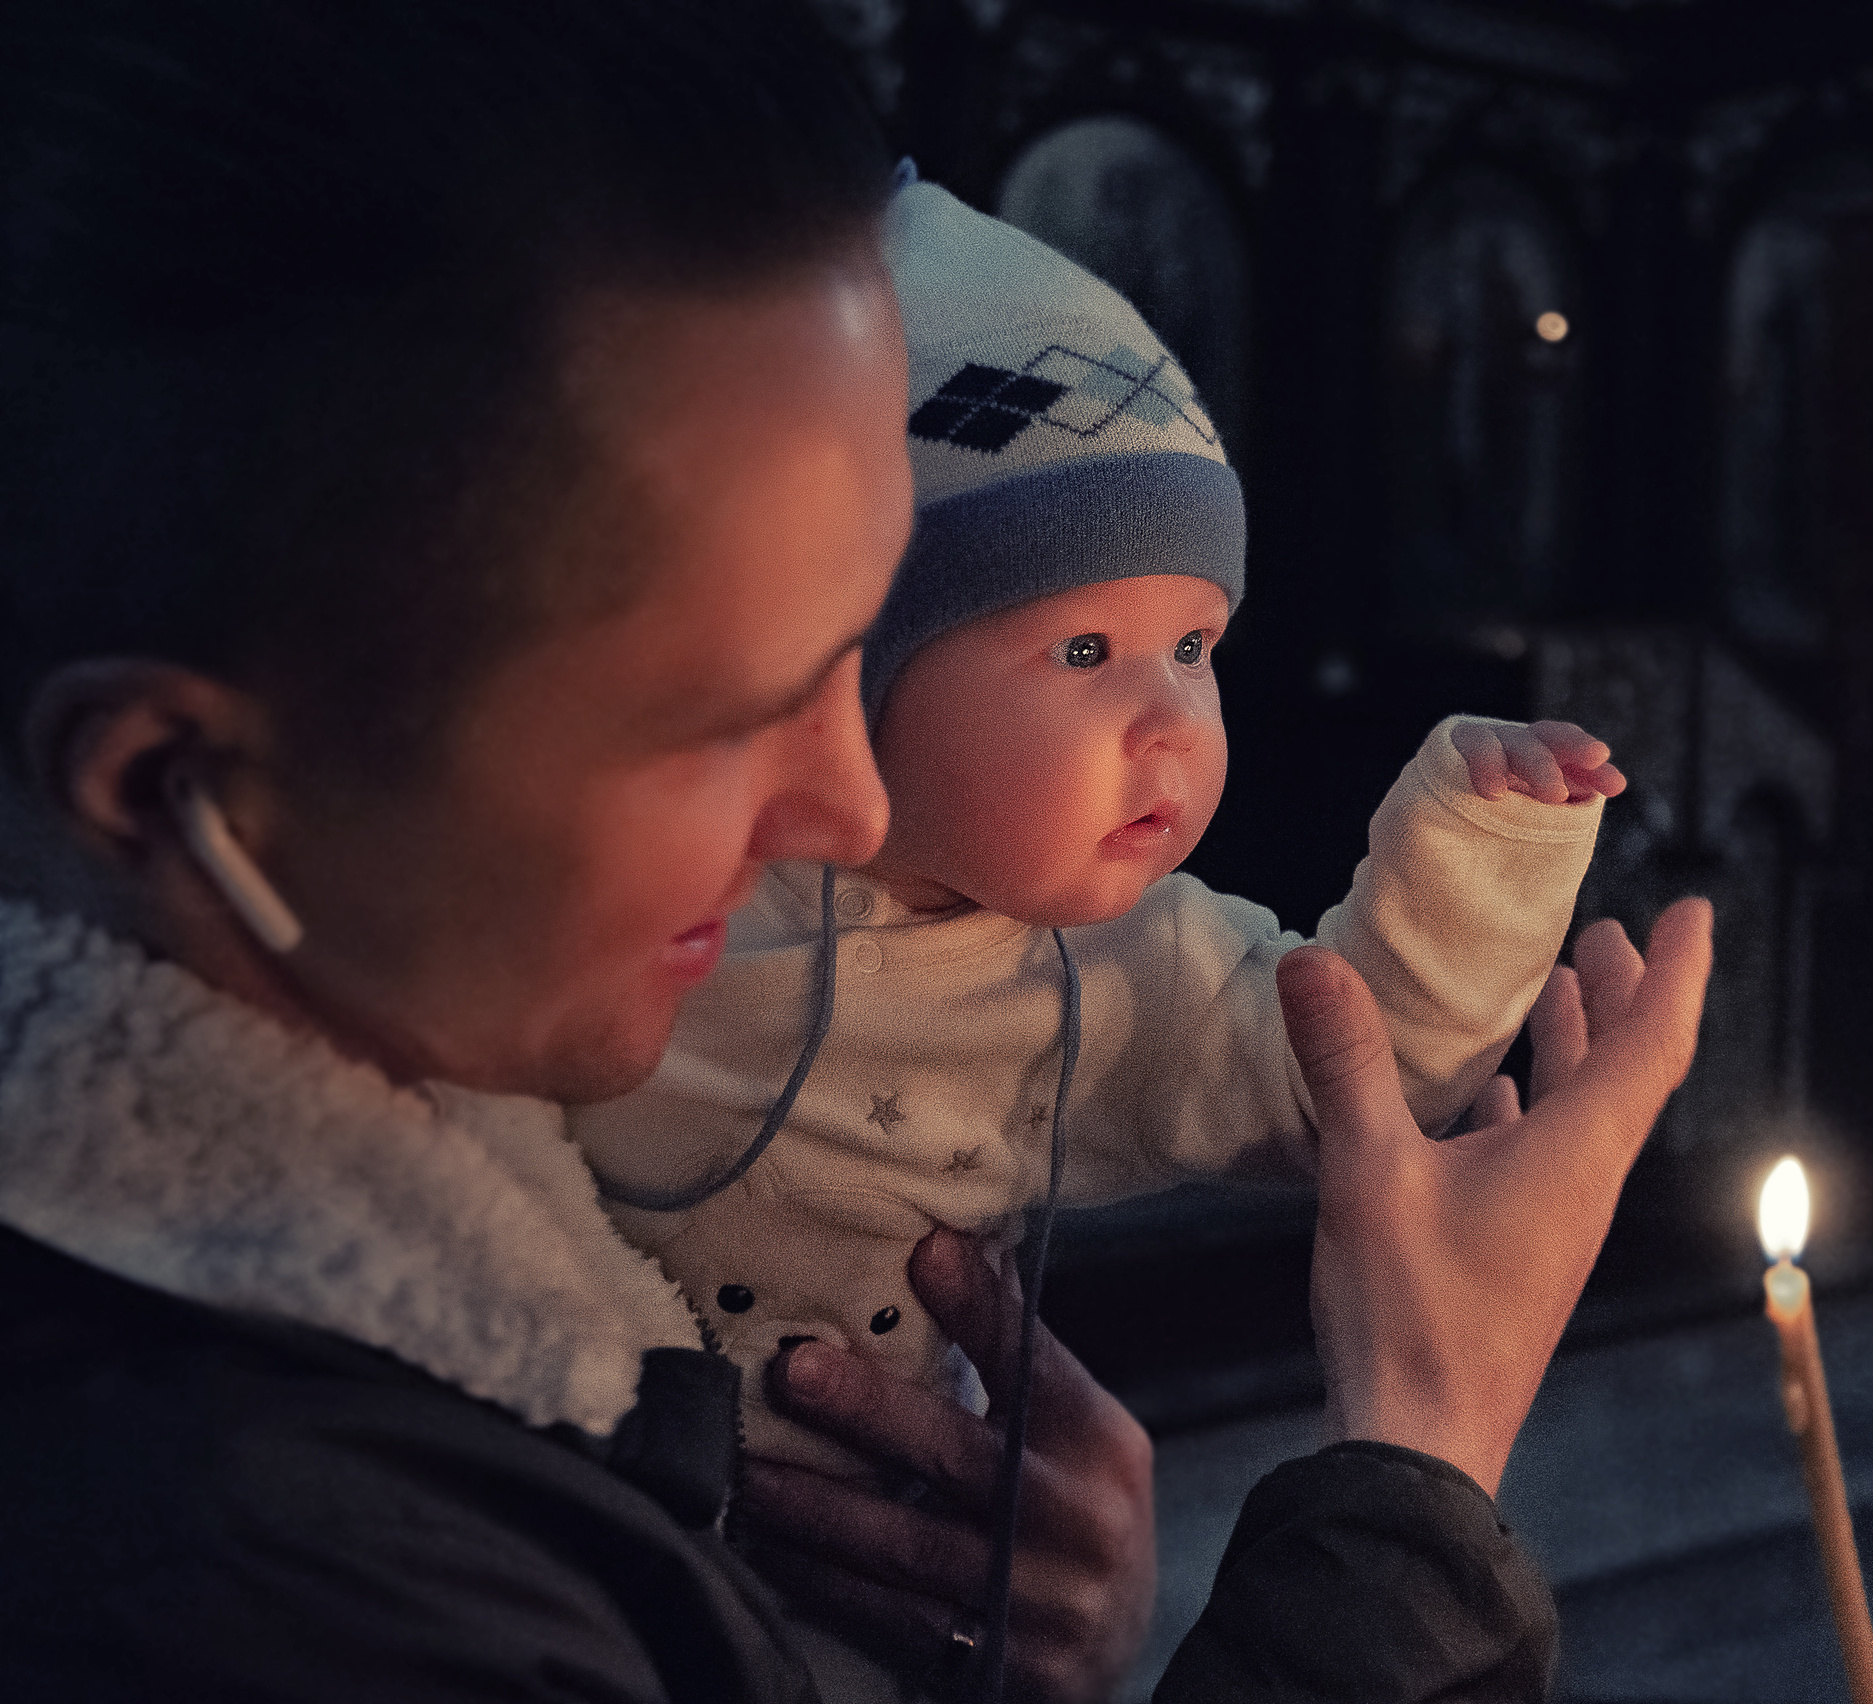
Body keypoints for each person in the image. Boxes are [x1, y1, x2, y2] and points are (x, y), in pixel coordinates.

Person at [0, 3, 1716, 1701]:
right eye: (719, 711)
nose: (846, 806)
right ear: (172, 788)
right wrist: (1419, 1455)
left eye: (854, 657)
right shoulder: (254, 1580)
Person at [567, 174, 1625, 1485]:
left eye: (1194, 646)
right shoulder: (658, 888)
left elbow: (1345, 1080)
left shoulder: (1110, 968)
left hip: (879, 1580)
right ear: (850, 659)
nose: (1171, 716)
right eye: (1085, 648)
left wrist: (1482, 844)